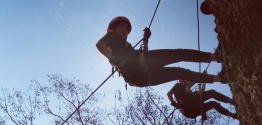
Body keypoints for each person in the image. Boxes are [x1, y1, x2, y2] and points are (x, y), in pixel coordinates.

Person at [96, 16, 226, 87]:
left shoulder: (125, 45)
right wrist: (113, 58)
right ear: (114, 28)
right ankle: (216, 57)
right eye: (122, 28)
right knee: (178, 54)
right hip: (142, 69)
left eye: (127, 30)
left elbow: (142, 54)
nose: (125, 32)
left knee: (180, 72)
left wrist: (146, 40)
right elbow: (100, 45)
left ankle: (219, 78)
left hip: (143, 77)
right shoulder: (112, 37)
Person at [167, 81, 236, 119]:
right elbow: (169, 94)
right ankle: (232, 101)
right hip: (187, 106)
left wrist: (204, 81)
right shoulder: (179, 86)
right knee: (211, 93)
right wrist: (174, 103)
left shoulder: (192, 94)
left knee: (213, 104)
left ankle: (233, 115)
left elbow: (202, 91)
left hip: (191, 111)